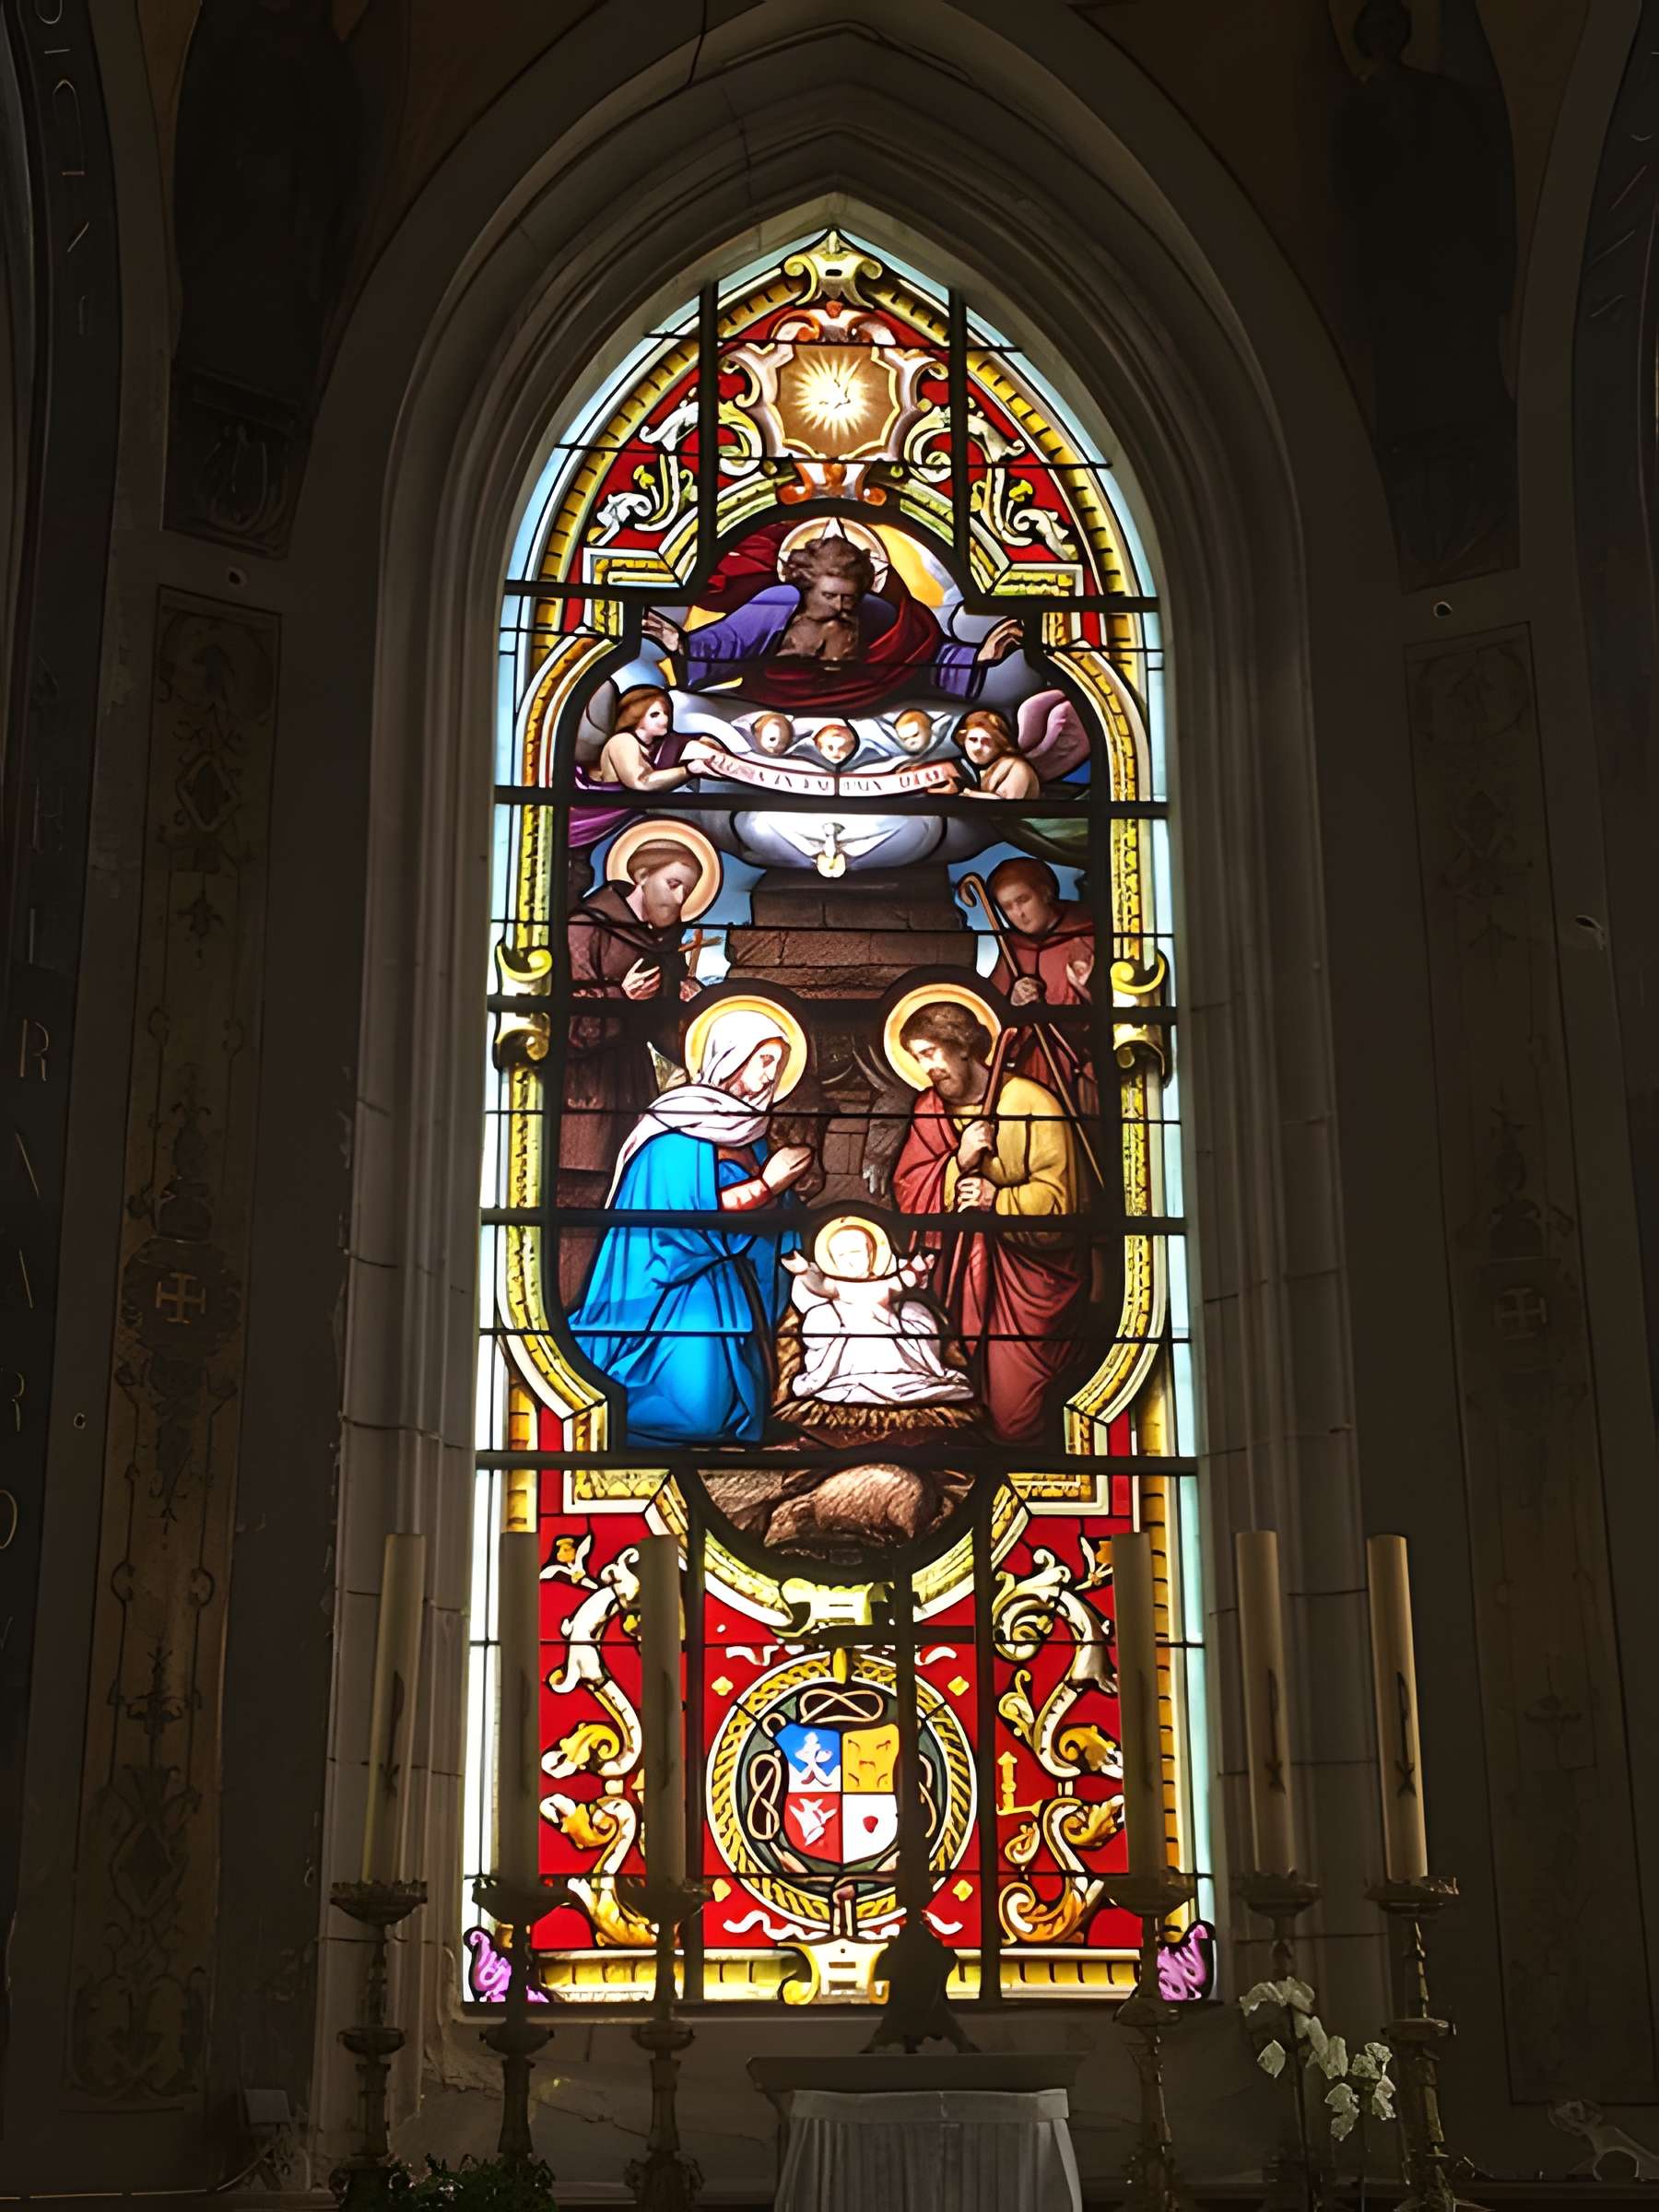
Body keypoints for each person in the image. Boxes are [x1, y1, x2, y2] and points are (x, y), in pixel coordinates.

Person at [569, 1003, 815, 1446]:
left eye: (778, 1065)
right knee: (696, 1414)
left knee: (722, 1409)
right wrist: (769, 1185)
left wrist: (792, 1196)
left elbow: (772, 1221)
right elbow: (682, 1219)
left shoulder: (752, 1134)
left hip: (734, 1289)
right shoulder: (675, 1130)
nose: (771, 1076)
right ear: (731, 1055)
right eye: (764, 1060)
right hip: (672, 1296)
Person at [889, 998, 1084, 1441]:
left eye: (931, 1052)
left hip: (1027, 1281)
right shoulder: (929, 1109)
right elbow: (909, 1192)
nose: (927, 1068)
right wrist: (957, 1162)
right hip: (955, 1280)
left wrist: (997, 1198)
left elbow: (1063, 1203)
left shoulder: (1032, 1102)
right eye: (918, 1058)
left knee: (1015, 1416)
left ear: (962, 1046)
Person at [557, 836, 708, 1307]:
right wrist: (619, 997)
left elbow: (665, 1036)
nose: (679, 899)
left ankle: (609, 1313)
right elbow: (559, 1022)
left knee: (624, 1204)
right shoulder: (585, 927)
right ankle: (567, 1313)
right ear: (642, 876)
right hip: (582, 1099)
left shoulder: (664, 948)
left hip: (633, 1093)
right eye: (674, 884)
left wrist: (694, 1011)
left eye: (688, 891)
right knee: (579, 1213)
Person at [643, 528, 1022, 711]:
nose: (841, 607)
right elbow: (726, 645)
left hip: (867, 713)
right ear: (804, 586)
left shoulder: (877, 613)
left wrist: (979, 657)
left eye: (849, 597)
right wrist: (681, 645)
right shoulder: (777, 604)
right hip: (766, 711)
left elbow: (925, 654)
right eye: (829, 596)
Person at [782, 1220, 972, 1409]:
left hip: (885, 1326)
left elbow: (905, 1280)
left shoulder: (885, 1281)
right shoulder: (835, 1284)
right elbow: (818, 1286)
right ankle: (854, 1377)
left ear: (871, 1253)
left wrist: (917, 1269)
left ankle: (899, 1375)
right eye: (841, 1255)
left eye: (855, 1252)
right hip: (850, 1331)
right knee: (837, 1321)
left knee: (908, 1318)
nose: (849, 1260)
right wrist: (804, 1271)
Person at [985, 854, 1098, 1100]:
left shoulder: (1088, 933)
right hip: (1033, 1072)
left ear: (1045, 893)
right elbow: (989, 1019)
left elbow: (1117, 1006)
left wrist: (1084, 988)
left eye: (1023, 900)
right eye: (1007, 907)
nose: (1019, 914)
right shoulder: (1013, 949)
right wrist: (1012, 1002)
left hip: (1085, 1068)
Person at [571, 685, 714, 850]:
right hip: (586, 817)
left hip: (616, 821)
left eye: (666, 713)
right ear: (634, 716)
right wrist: (688, 770)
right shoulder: (622, 741)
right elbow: (641, 781)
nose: (664, 719)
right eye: (655, 714)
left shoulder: (655, 748)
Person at [952, 707, 1040, 800]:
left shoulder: (1017, 766)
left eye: (985, 741)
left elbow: (1004, 805)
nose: (978, 748)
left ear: (999, 743)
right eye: (973, 740)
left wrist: (969, 793)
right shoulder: (983, 770)